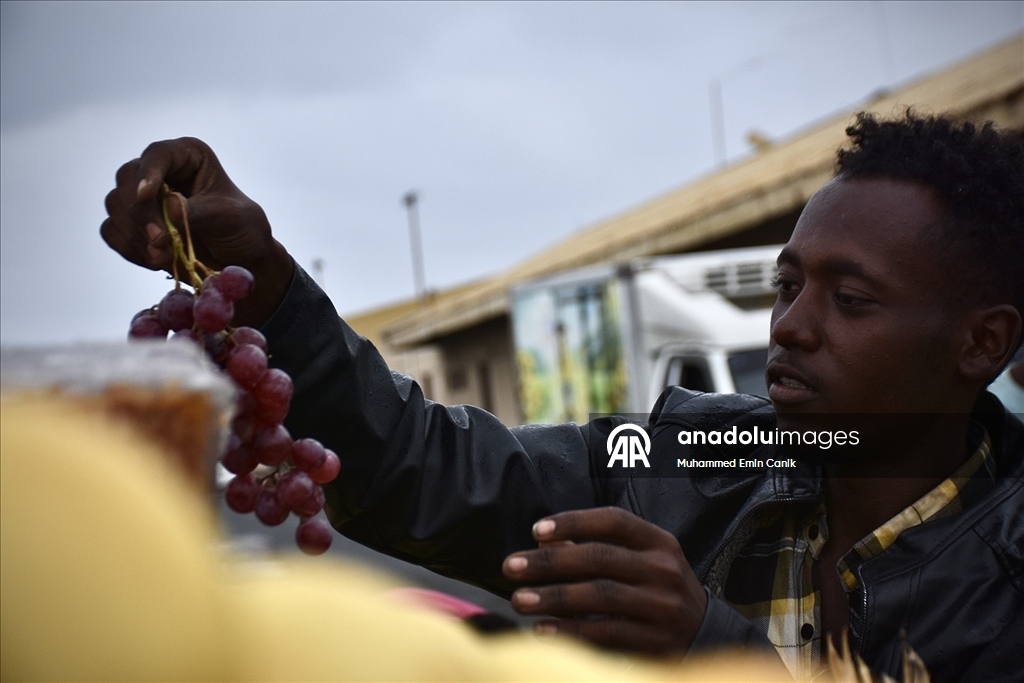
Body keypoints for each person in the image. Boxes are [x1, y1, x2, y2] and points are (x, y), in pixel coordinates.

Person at [101, 111, 1024, 681]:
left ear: (981, 343)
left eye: (850, 300)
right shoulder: (685, 461)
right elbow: (425, 466)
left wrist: (716, 657)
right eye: (786, 287)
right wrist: (262, 278)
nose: (792, 326)